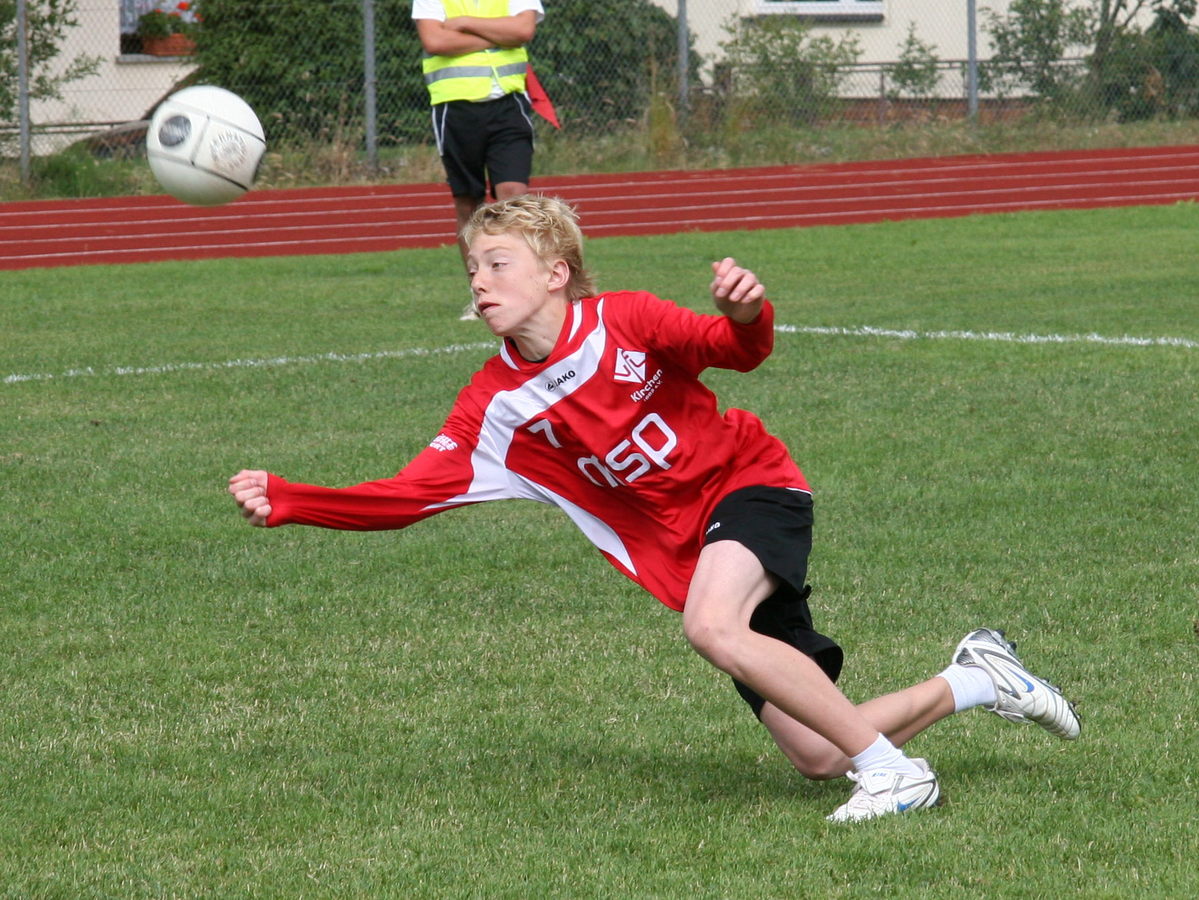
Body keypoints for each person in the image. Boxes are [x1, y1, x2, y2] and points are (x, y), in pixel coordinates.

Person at [228, 195, 1081, 822]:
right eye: (472, 268)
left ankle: (897, 776)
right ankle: (978, 678)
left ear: (555, 273)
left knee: (712, 629)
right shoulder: (493, 406)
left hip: (753, 488)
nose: (479, 282)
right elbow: (409, 495)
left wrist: (748, 313)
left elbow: (731, 350)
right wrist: (294, 500)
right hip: (691, 554)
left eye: (498, 264)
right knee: (818, 750)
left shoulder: (625, 321)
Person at [412, 0, 544, 320]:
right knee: (468, 205)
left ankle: (525, 290)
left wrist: (465, 22)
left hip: (508, 104)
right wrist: (499, 35)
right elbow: (436, 41)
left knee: (513, 198)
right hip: (454, 110)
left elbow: (524, 29)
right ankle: (481, 293)